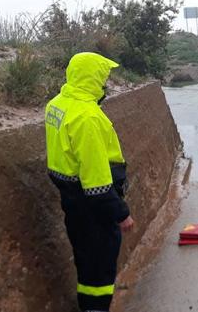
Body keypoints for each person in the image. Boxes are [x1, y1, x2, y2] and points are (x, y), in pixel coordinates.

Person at [45, 52, 134, 312]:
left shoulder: (57, 105)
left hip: (71, 199)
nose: (105, 82)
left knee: (85, 262)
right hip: (94, 207)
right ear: (91, 77)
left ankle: (87, 305)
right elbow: (96, 183)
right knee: (100, 269)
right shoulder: (87, 118)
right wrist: (121, 213)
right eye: (103, 76)